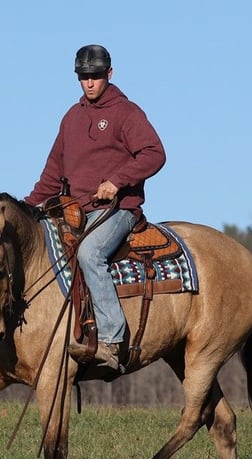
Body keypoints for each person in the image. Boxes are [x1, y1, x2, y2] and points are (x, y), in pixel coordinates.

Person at [24, 44, 166, 371]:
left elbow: (154, 153)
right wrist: (27, 208)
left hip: (118, 211)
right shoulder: (71, 118)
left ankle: (112, 340)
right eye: (84, 77)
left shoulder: (127, 113)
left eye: (96, 76)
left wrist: (117, 181)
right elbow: (52, 173)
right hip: (75, 212)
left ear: (109, 74)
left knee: (90, 253)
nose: (90, 83)